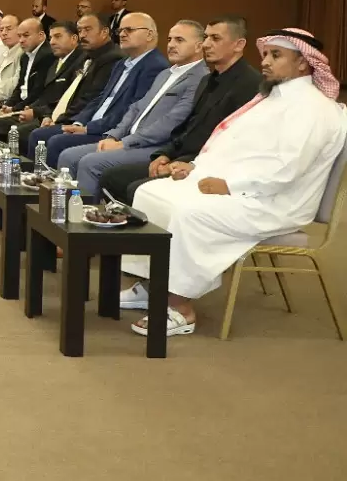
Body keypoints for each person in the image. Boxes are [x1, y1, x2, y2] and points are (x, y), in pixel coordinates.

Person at [116, 28, 347, 338]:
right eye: (266, 54)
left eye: (276, 55)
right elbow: (231, 146)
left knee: (190, 213)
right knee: (149, 193)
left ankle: (179, 306)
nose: (265, 61)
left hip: (276, 201)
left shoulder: (313, 109)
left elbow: (287, 170)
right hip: (245, 186)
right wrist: (194, 167)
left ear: (304, 63)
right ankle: (154, 284)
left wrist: (229, 185)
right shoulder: (274, 97)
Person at [98, 17, 262, 204]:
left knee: (135, 188)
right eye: (206, 37)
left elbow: (232, 143)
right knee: (112, 178)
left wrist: (190, 164)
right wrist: (165, 155)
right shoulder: (207, 80)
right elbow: (188, 129)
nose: (206, 44)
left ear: (239, 45)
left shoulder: (250, 84)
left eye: (215, 38)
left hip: (208, 166)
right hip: (181, 157)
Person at [60, 20, 208, 194]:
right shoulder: (165, 73)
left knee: (90, 162)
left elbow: (171, 122)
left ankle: (87, 209)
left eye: (179, 40)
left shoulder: (201, 77)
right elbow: (136, 108)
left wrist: (124, 143)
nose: (171, 45)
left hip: (156, 146)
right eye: (169, 39)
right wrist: (114, 136)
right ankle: (61, 207)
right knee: (68, 156)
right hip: (129, 140)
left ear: (199, 46)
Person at [25, 12, 167, 167]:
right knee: (40, 135)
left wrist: (89, 128)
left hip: (112, 131)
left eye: (129, 30)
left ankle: (50, 181)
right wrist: (79, 123)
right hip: (93, 123)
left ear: (149, 35)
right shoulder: (123, 63)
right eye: (120, 30)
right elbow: (100, 98)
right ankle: (37, 179)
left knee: (55, 141)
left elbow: (132, 110)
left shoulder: (154, 66)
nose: (122, 34)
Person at [0, 13, 120, 154]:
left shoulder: (109, 59)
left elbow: (90, 98)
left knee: (36, 135)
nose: (82, 35)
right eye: (80, 30)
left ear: (104, 32)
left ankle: (25, 167)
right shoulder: (89, 57)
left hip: (84, 119)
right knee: (1, 124)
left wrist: (55, 118)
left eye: (87, 29)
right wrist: (43, 113)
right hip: (61, 113)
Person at [0, 21, 84, 141]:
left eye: (58, 36)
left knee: (15, 131)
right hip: (40, 110)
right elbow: (41, 93)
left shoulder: (80, 61)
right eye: (51, 37)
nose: (52, 42)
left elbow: (66, 99)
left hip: (60, 116)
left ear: (74, 38)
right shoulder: (56, 60)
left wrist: (35, 111)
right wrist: (27, 108)